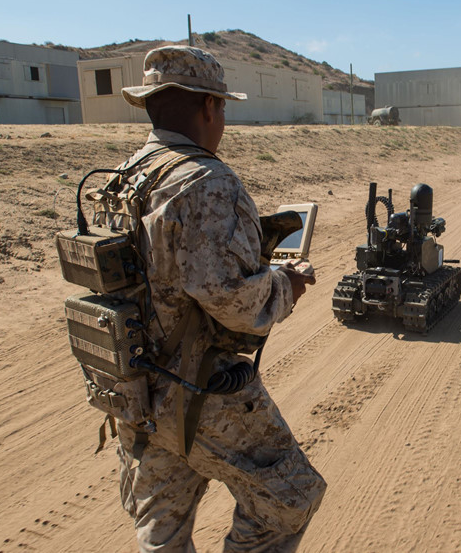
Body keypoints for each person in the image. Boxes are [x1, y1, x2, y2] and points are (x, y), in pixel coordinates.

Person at [109, 45, 326, 552]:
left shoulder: (125, 177)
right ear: (209, 106)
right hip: (199, 389)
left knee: (163, 529)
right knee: (290, 499)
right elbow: (235, 302)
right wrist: (286, 285)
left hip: (135, 390)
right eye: (223, 107)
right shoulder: (207, 181)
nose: (223, 119)